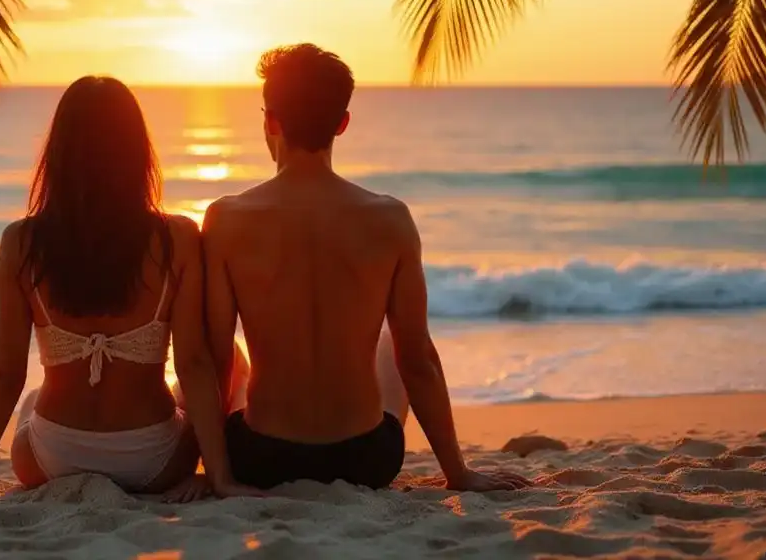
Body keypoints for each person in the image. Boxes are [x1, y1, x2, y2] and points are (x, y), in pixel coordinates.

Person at [188, 44, 533, 493]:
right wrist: (458, 473)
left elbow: (214, 359)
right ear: (342, 123)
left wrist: (217, 471)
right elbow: (418, 361)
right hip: (368, 458)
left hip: (262, 458)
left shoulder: (226, 219)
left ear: (270, 121)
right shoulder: (390, 219)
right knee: (396, 342)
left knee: (235, 358)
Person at [0, 76, 249, 501]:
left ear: (58, 153)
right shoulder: (176, 238)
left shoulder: (21, 243)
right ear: (137, 153)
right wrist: (219, 477)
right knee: (232, 363)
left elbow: (6, 372)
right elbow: (193, 363)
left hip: (53, 456)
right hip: (151, 460)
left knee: (32, 398)